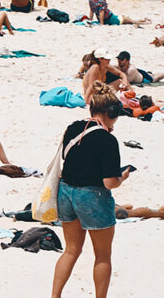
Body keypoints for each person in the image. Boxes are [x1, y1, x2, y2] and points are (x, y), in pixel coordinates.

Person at [51, 85, 132, 298]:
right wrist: (121, 178)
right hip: (92, 197)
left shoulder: (73, 128)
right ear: (111, 113)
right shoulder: (108, 140)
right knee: (103, 256)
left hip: (65, 192)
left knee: (71, 250)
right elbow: (109, 183)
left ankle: (55, 296)